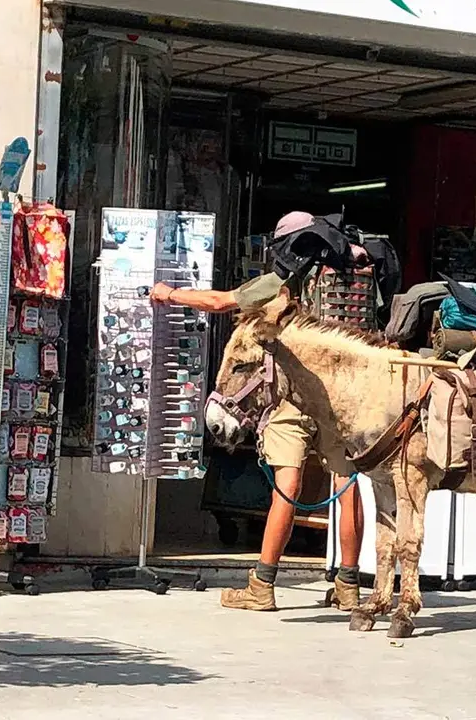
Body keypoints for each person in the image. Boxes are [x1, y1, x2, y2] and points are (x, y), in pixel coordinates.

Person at [150, 212, 364, 612]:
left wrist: (169, 293)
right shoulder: (345, 277)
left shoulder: (279, 283)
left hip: (290, 397)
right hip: (337, 400)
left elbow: (219, 302)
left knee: (287, 486)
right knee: (346, 485)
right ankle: (348, 586)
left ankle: (262, 585)